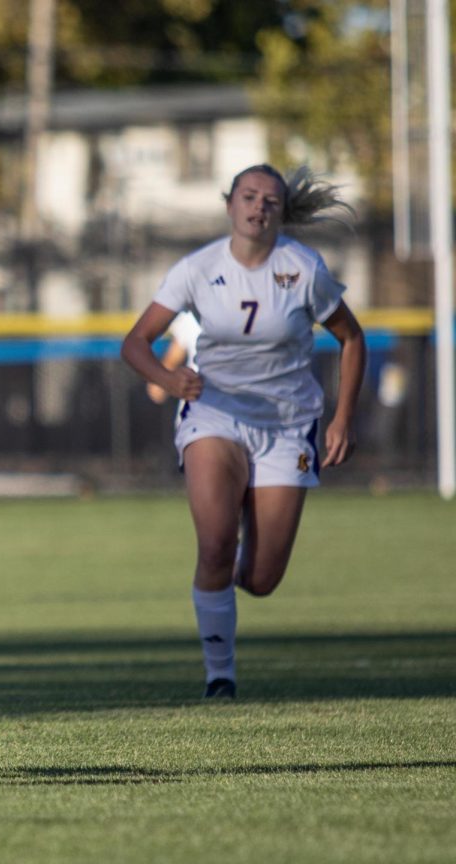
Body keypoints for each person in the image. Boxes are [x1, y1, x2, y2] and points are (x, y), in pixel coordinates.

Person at [121, 164, 366, 699]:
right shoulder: (197, 268)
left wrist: (343, 419)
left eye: (270, 201)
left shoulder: (303, 269)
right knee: (213, 545)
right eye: (249, 197)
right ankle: (220, 678)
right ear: (230, 204)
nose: (258, 207)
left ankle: (227, 578)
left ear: (281, 212)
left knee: (260, 579)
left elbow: (352, 339)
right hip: (214, 414)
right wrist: (168, 377)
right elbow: (135, 343)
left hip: (286, 425)